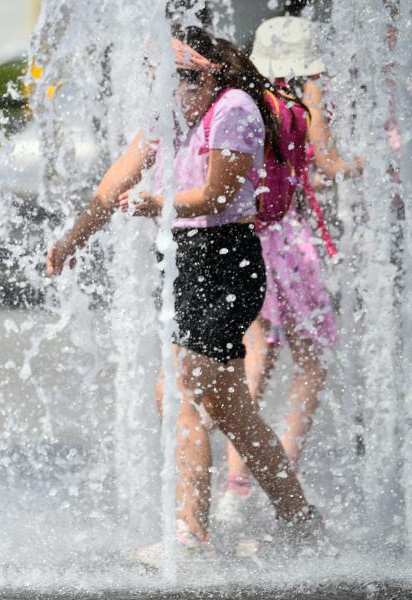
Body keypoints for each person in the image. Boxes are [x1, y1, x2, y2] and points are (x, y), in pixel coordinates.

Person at [45, 28, 322, 561]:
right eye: (168, 76)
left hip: (225, 259)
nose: (178, 88)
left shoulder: (236, 107)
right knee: (227, 408)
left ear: (215, 72)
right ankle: (299, 518)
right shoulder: (167, 114)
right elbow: (112, 185)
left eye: (189, 76)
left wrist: (158, 203)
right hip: (188, 262)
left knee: (182, 396)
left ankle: (191, 534)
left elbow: (218, 193)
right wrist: (71, 239)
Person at [215, 16, 362, 528]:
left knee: (256, 360)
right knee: (313, 359)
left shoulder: (244, 101)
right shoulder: (302, 103)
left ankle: (237, 488)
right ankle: (286, 470)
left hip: (246, 236)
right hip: (289, 242)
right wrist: (375, 161)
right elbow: (329, 163)